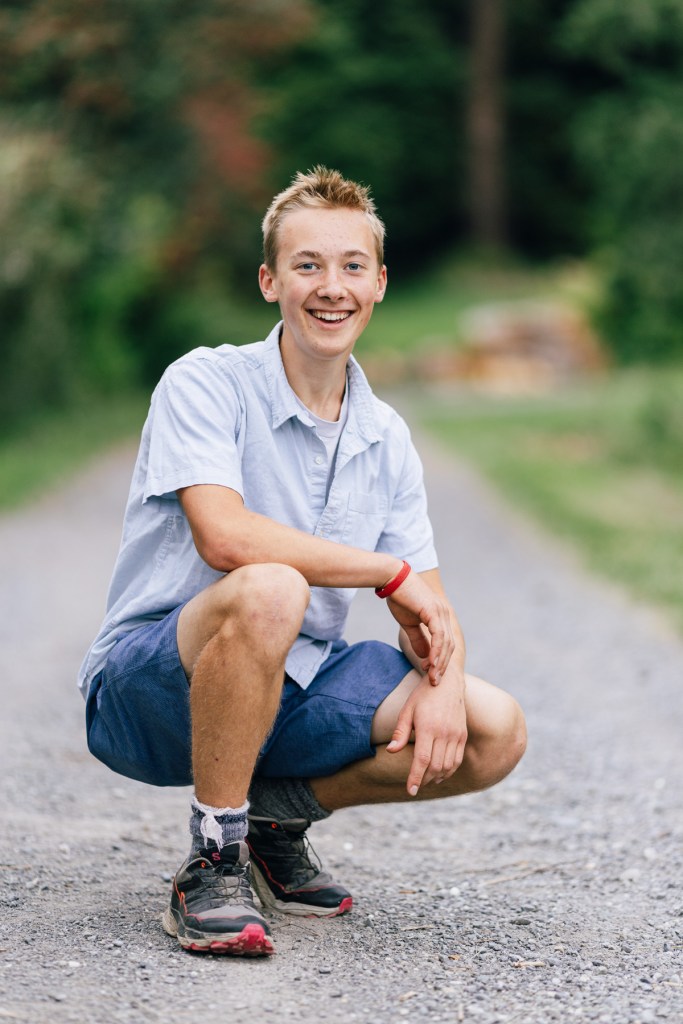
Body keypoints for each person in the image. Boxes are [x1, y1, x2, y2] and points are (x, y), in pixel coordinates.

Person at [79, 166, 526, 957]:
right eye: (307, 265)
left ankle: (274, 820)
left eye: (352, 266)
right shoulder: (205, 382)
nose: (331, 287)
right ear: (269, 281)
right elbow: (224, 538)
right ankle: (213, 859)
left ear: (379, 282)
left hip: (294, 687)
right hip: (150, 689)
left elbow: (431, 604)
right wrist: (384, 574)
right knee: (270, 589)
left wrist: (443, 678)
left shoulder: (385, 436)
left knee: (493, 730)